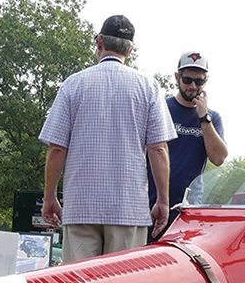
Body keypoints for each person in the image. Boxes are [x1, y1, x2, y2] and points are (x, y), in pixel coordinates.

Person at [39, 15, 176, 262]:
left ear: (99, 42)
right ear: (131, 49)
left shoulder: (73, 84)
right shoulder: (149, 87)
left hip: (81, 207)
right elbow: (158, 149)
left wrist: (50, 197)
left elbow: (57, 148)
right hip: (129, 209)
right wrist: (163, 202)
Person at [147, 51, 228, 227]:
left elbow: (219, 158)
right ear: (177, 77)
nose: (193, 86)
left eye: (199, 81)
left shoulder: (212, 117)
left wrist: (203, 118)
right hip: (152, 205)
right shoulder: (160, 109)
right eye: (187, 80)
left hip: (190, 209)